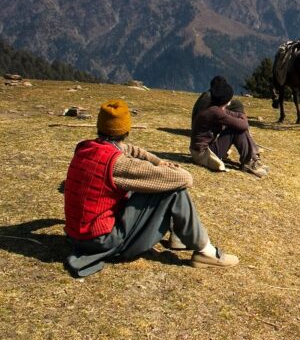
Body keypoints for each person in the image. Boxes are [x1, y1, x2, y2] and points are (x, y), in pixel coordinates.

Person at [63, 99, 238, 277]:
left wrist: (157, 161)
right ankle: (206, 251)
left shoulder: (85, 148)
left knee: (149, 185)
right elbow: (185, 178)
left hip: (76, 235)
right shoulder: (117, 164)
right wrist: (165, 169)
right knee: (175, 190)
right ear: (126, 131)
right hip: (100, 241)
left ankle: (180, 236)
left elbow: (129, 149)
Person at [190, 79, 268, 177]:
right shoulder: (215, 112)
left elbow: (233, 114)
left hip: (199, 151)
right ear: (226, 100)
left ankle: (251, 158)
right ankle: (249, 161)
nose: (230, 103)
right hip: (202, 155)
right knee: (235, 130)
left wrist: (240, 116)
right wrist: (243, 116)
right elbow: (243, 124)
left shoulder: (213, 107)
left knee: (237, 126)